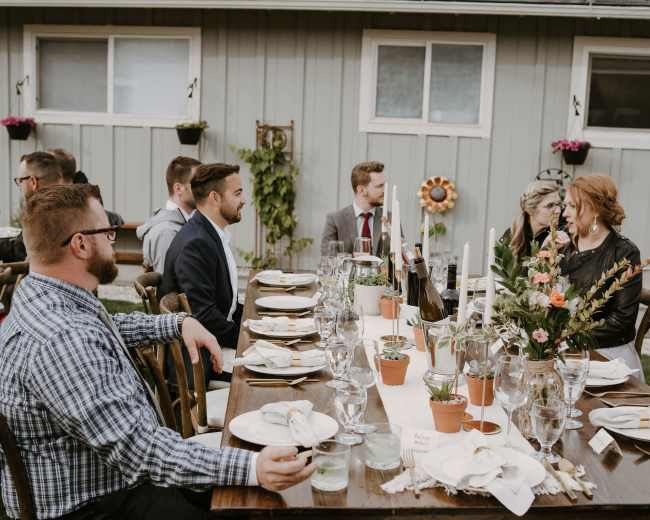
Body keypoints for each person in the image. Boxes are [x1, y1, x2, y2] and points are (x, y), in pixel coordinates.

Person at [0, 184, 314, 519]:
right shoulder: (62, 340)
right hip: (96, 503)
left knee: (244, 489)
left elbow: (106, 326)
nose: (113, 240)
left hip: (111, 479)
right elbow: (139, 451)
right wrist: (253, 467)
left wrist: (176, 325)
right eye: (108, 232)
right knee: (255, 498)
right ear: (80, 244)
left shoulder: (43, 294)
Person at [160, 163, 245, 380]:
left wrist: (262, 327)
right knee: (278, 374)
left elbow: (228, 306)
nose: (244, 200)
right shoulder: (196, 243)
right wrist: (250, 340)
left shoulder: (209, 233)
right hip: (203, 360)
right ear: (215, 197)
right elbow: (205, 317)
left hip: (217, 342)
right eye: (237, 193)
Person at [560, 175, 643, 380]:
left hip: (609, 359)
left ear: (594, 208)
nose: (565, 213)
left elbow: (621, 321)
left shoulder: (624, 253)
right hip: (562, 351)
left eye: (572, 206)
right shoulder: (562, 245)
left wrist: (568, 336)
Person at [137, 156, 201, 273]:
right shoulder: (167, 232)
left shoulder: (185, 224)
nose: (204, 190)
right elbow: (168, 287)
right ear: (178, 188)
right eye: (198, 184)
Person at [0, 152, 63, 262]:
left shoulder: (42, 214)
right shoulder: (79, 205)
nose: (19, 187)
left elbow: (18, 252)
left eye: (20, 181)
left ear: (33, 182)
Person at [320, 161, 386, 257]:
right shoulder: (335, 219)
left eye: (384, 185)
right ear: (361, 190)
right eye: (379, 186)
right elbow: (328, 258)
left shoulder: (390, 219)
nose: (384, 190)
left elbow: (398, 259)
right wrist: (354, 259)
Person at [500, 180, 562, 259]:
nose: (558, 211)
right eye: (550, 205)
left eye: (559, 204)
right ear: (531, 209)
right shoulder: (512, 235)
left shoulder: (559, 237)